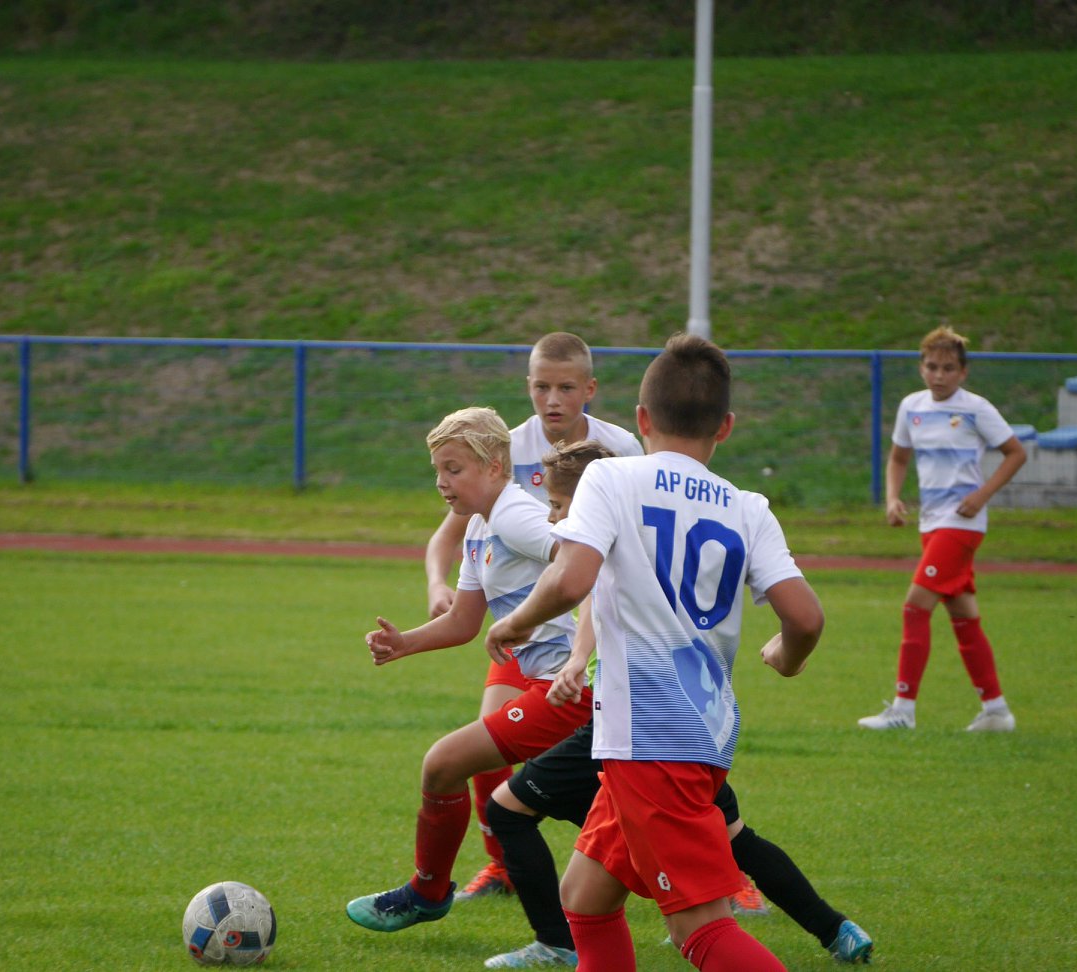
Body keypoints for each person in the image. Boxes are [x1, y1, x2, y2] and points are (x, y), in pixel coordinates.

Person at [486, 334, 826, 972]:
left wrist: (519, 623)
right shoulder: (748, 507)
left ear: (641, 420)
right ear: (724, 427)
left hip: (650, 741)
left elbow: (571, 577)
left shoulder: (612, 477)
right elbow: (805, 616)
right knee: (584, 898)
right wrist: (788, 654)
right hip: (697, 735)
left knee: (701, 929)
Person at [347, 406, 595, 933]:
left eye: (453, 469)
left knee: (444, 764)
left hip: (567, 686)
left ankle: (428, 892)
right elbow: (464, 620)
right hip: (545, 682)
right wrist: (403, 644)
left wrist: (540, 625)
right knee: (614, 815)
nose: (441, 483)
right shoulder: (482, 526)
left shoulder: (514, 516)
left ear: (495, 464)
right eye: (437, 471)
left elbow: (581, 559)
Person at [422, 332, 642, 903]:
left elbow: (592, 559)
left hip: (571, 632)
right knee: (491, 760)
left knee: (638, 767)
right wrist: (438, 583)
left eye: (565, 387)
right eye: (541, 386)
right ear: (528, 387)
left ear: (589, 390)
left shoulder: (620, 451)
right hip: (517, 635)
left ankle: (711, 862)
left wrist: (577, 648)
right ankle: (504, 869)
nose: (552, 399)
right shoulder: (502, 446)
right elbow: (458, 529)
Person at [858, 325, 1027, 733]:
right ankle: (997, 712)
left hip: (961, 524)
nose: (939, 375)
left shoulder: (976, 409)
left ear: (963, 372)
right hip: (931, 524)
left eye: (948, 368)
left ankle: (903, 708)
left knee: (915, 605)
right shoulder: (911, 407)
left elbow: (1015, 453)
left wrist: (981, 496)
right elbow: (897, 459)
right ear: (921, 368)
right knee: (965, 618)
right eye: (932, 366)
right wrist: (892, 498)